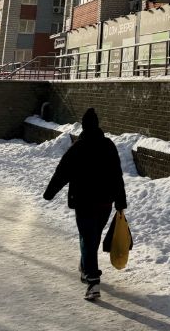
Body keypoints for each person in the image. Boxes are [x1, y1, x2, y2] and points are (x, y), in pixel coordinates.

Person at [43, 108, 127, 302]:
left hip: (84, 202)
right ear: (97, 125)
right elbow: (117, 175)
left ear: (84, 126)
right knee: (92, 237)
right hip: (105, 202)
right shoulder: (108, 145)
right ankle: (85, 267)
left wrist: (49, 193)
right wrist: (120, 201)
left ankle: (92, 279)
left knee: (87, 238)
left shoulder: (78, 147)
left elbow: (61, 172)